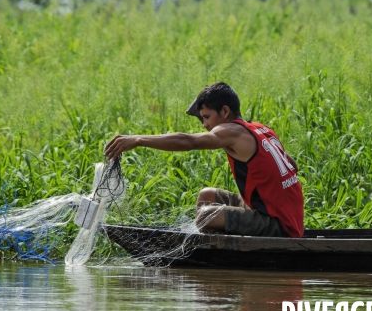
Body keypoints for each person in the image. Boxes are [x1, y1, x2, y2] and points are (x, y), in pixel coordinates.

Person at [104, 82, 304, 238]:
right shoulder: (260, 129)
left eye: (207, 117)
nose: (205, 124)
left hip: (279, 224)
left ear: (225, 112)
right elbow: (291, 165)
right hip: (276, 212)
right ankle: (220, 241)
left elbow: (188, 141)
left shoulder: (230, 131)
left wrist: (138, 140)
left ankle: (219, 250)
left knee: (206, 215)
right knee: (207, 196)